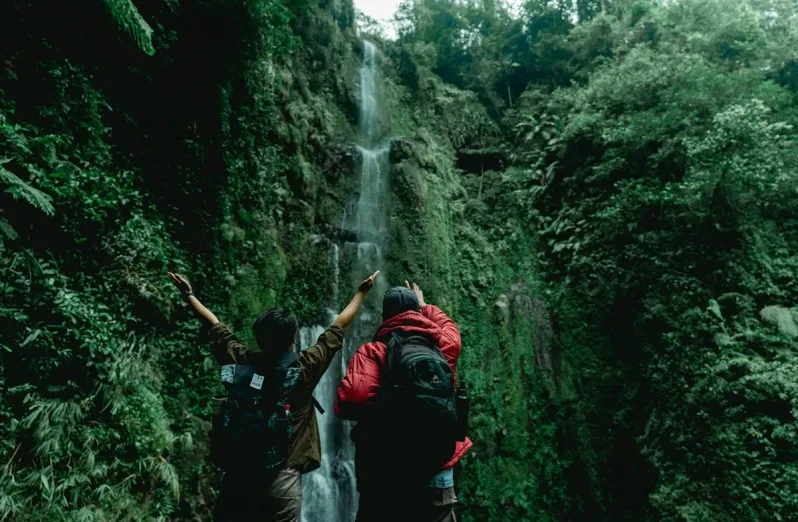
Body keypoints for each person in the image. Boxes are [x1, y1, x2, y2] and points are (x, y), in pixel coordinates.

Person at [167, 270, 380, 522]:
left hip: (239, 475)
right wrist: (361, 292)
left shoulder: (240, 360)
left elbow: (215, 327)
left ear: (258, 337)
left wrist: (189, 295)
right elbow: (338, 327)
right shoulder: (305, 367)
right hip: (283, 478)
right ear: (293, 340)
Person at [335, 281, 473, 522]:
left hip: (389, 474)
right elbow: (451, 331)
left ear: (384, 316)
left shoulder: (374, 352)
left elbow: (350, 401)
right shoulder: (444, 346)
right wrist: (425, 304)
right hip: (438, 467)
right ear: (418, 312)